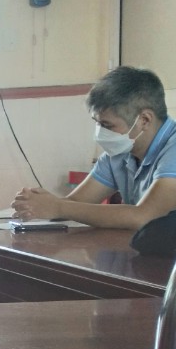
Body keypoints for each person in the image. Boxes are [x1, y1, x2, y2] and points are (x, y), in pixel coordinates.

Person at [12, 66, 176, 229]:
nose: (100, 133)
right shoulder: (118, 155)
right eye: (97, 123)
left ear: (144, 120)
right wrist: (40, 203)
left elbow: (144, 217)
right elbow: (76, 203)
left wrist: (58, 207)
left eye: (107, 125)